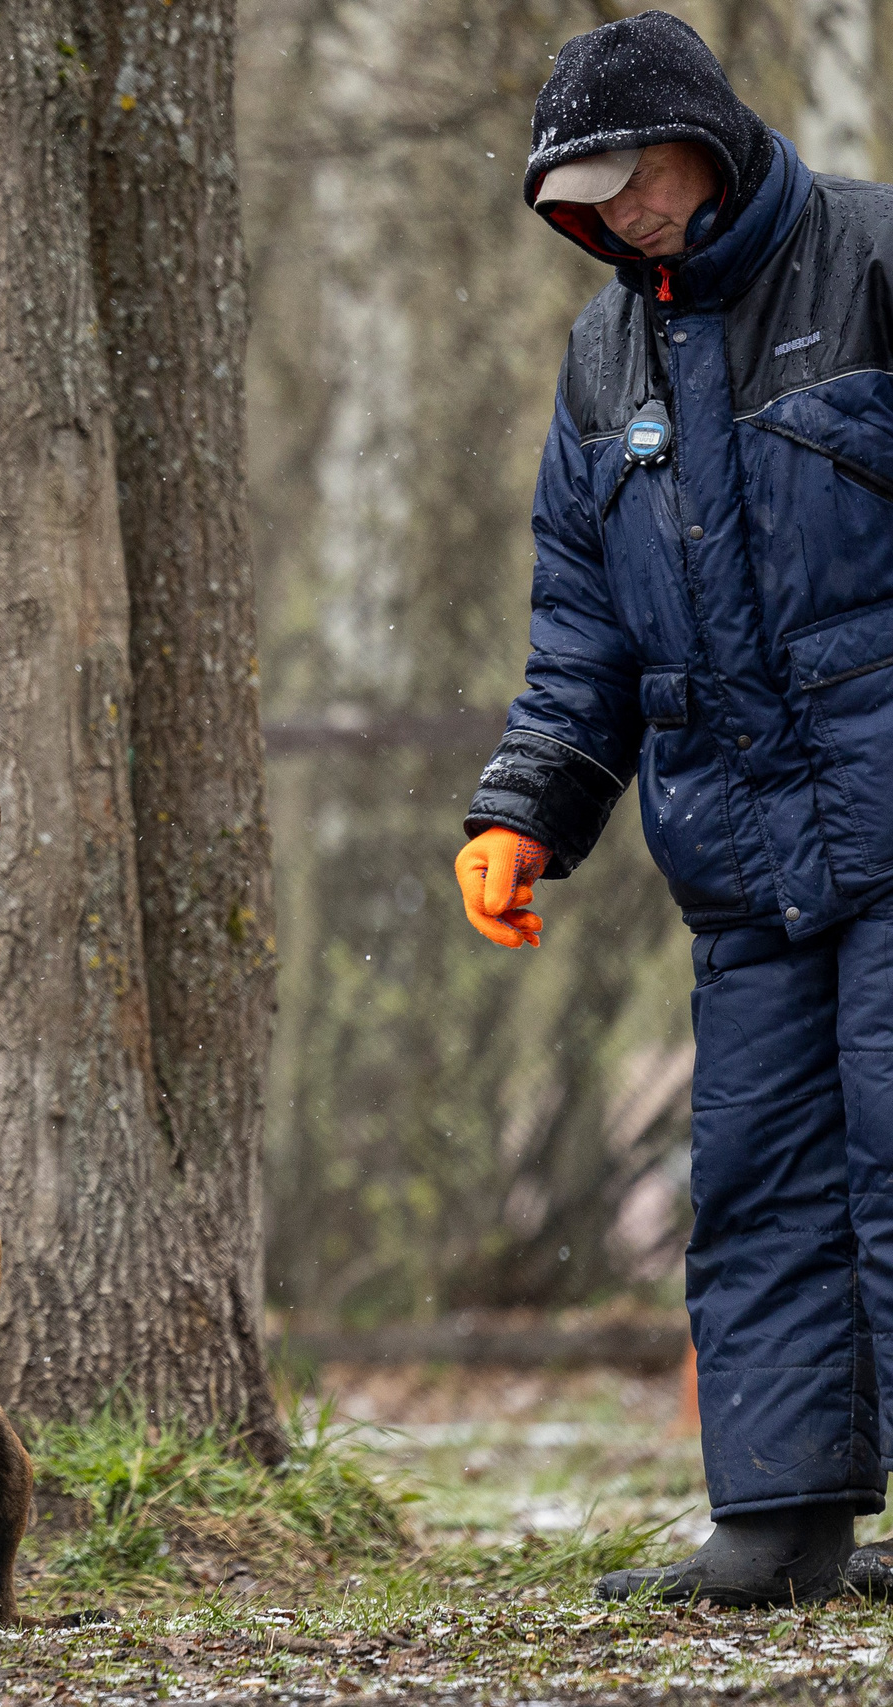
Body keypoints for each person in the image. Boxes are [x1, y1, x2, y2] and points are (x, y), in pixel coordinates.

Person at [457, 10, 893, 1606]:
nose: (616, 216)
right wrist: (527, 810)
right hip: (741, 854)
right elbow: (585, 632)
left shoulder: (869, 258)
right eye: (582, 199)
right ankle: (782, 1513)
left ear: (700, 135)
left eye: (628, 178)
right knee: (761, 1175)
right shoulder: (600, 361)